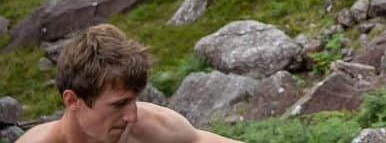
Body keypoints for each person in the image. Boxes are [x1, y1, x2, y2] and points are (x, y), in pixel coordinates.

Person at [16, 24, 240, 143]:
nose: (131, 116)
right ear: (73, 100)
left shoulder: (149, 127)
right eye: (118, 104)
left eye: (134, 100)